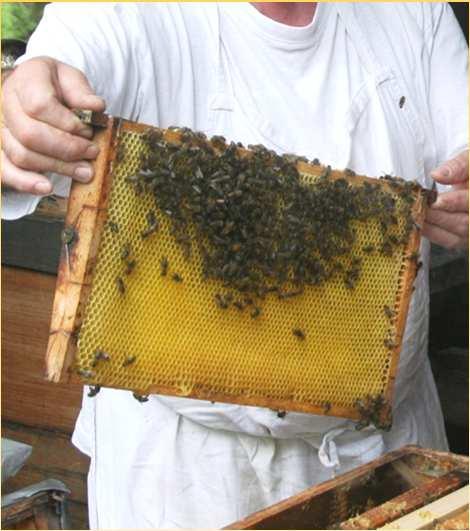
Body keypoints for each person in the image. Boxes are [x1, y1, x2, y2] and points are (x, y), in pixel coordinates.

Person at [1, 3, 468, 528]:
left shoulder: (416, 10)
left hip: (390, 453)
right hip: (187, 476)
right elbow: (46, 88)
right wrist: (20, 114)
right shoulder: (115, 12)